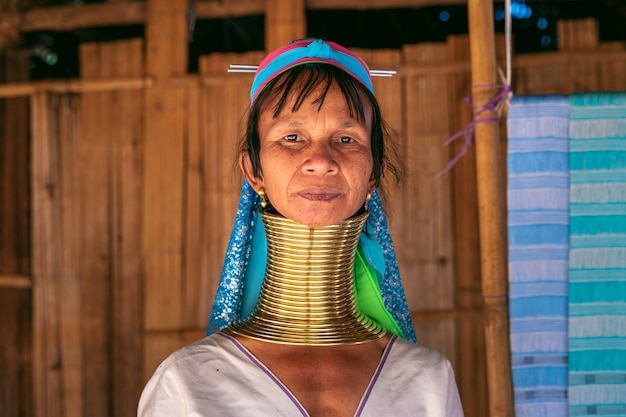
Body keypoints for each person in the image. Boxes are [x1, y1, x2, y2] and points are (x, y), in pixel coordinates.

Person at [138, 38, 464, 417]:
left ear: (375, 173)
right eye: (292, 138)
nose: (320, 161)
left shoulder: (426, 380)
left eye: (346, 139)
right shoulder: (188, 384)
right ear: (253, 171)